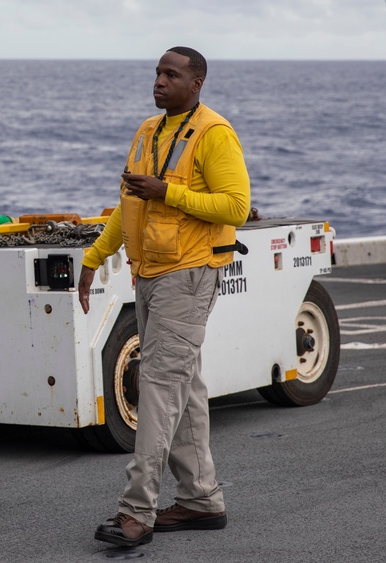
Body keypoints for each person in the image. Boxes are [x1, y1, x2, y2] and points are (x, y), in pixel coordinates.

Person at [79, 47, 251, 547]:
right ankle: (200, 500)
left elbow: (235, 205)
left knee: (156, 386)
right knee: (184, 386)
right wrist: (94, 259)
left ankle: (136, 512)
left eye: (171, 74)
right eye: (157, 72)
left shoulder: (214, 133)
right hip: (149, 274)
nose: (159, 81)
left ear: (196, 83)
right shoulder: (147, 132)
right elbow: (126, 207)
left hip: (190, 274)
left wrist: (167, 192)